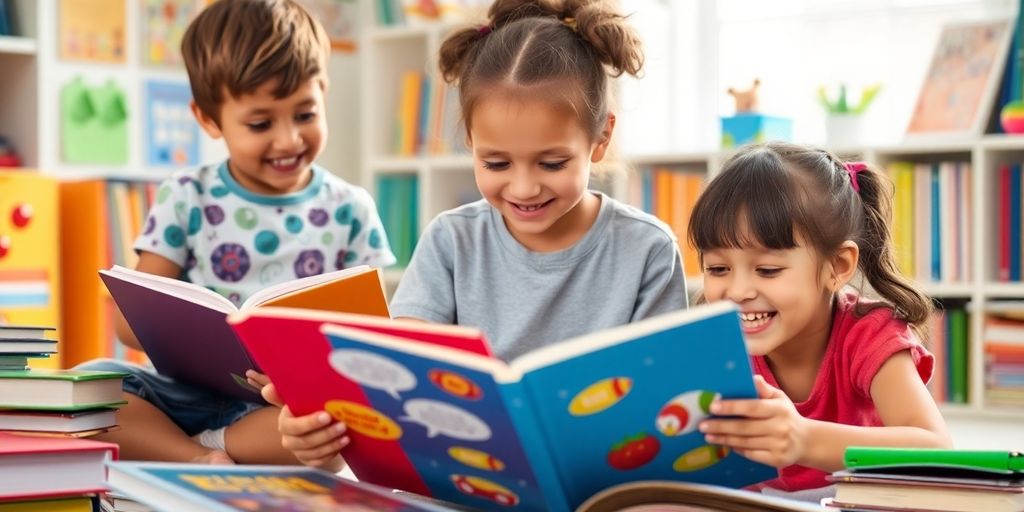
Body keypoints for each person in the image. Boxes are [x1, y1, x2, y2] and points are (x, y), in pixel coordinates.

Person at [261, 0, 688, 471]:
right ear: (470, 140)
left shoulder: (648, 249)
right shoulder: (451, 240)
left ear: (601, 137)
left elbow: (664, 402)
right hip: (467, 480)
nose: (524, 188)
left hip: (604, 480)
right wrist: (323, 439)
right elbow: (403, 384)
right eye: (496, 163)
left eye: (552, 163)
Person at [76, 0, 395, 465]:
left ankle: (206, 451)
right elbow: (128, 321)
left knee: (331, 431)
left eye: (305, 114)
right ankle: (196, 457)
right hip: (183, 395)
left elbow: (374, 331)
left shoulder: (350, 208)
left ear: (323, 92)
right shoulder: (186, 195)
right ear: (208, 118)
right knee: (83, 390)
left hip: (280, 409)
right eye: (261, 123)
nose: (288, 140)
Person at [690, 142, 951, 496]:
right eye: (718, 268)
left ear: (838, 266)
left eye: (767, 270)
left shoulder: (871, 337)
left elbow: (937, 452)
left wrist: (804, 438)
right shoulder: (715, 343)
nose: (737, 291)